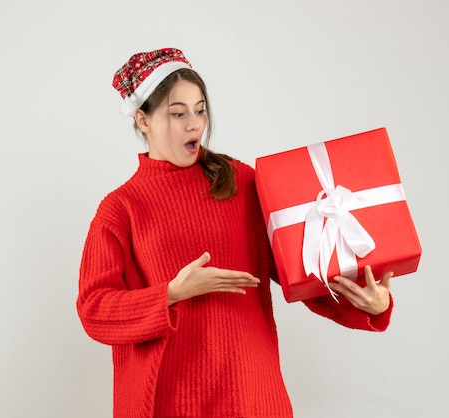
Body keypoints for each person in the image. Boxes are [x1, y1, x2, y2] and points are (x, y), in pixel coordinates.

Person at [76, 48, 393, 418]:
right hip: (168, 401)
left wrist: (369, 306)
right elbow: (94, 310)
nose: (194, 124)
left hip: (252, 394)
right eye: (178, 114)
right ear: (143, 121)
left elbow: (305, 273)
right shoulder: (121, 208)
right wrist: (172, 293)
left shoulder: (241, 182)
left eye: (200, 110)